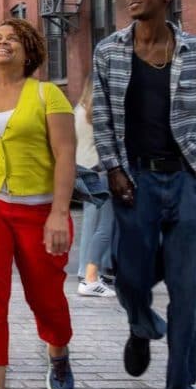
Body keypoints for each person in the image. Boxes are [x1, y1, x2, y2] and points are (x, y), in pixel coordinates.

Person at [93, 0, 196, 389]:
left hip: (186, 179)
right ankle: (141, 325)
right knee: (131, 278)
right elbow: (102, 119)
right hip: (134, 180)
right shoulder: (109, 52)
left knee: (187, 289)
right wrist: (113, 169)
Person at [0, 19, 76, 389]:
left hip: (39, 210)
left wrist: (59, 212)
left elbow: (66, 154)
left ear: (28, 52)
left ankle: (58, 353)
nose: (3, 43)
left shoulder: (47, 95)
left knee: (46, 297)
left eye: (13, 39)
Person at [74, 76, 115, 298]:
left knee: (91, 222)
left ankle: (86, 270)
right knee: (104, 226)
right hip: (99, 171)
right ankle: (91, 275)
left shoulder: (78, 110)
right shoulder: (97, 113)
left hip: (81, 170)